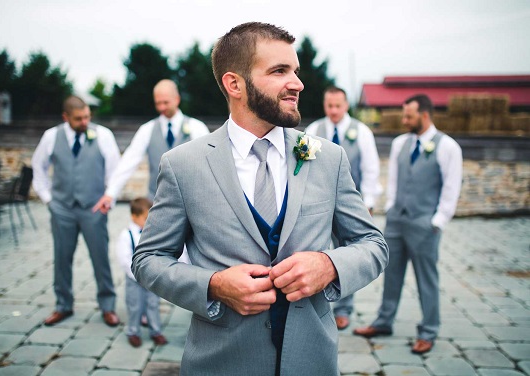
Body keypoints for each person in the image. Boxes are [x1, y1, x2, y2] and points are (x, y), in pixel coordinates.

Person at [132, 22, 388, 376]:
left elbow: (373, 244)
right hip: (221, 362)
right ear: (234, 84)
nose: (297, 83)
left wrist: (329, 266)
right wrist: (214, 286)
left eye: (295, 71)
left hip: (312, 361)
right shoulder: (183, 165)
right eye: (279, 71)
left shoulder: (328, 158)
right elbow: (148, 260)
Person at [353, 94, 463, 355]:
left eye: (408, 116)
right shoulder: (400, 143)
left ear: (424, 115)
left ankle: (428, 331)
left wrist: (437, 221)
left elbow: (452, 187)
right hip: (396, 221)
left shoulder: (448, 147)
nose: (404, 120)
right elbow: (393, 178)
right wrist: (391, 206)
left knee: (427, 279)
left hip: (425, 224)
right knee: (390, 275)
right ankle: (383, 321)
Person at [31, 95, 121, 327]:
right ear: (66, 117)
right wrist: (48, 199)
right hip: (62, 208)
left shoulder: (103, 135)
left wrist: (108, 197)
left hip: (93, 207)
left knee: (100, 257)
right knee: (62, 258)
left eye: (87, 117)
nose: (85, 122)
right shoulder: (51, 136)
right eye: (79, 118)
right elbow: (38, 167)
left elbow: (114, 169)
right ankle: (63, 305)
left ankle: (108, 306)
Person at [305, 86, 382, 330]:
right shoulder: (313, 130)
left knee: (347, 254)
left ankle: (344, 308)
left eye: (338, 106)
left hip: (349, 205)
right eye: (330, 106)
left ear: (346, 105)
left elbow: (371, 169)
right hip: (317, 204)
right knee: (315, 252)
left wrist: (368, 203)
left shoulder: (361, 132)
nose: (334, 110)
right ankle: (315, 307)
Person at [93, 79, 210, 213]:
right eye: (158, 103)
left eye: (165, 102)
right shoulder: (147, 130)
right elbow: (129, 161)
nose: (161, 108)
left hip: (191, 201)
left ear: (177, 99)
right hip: (157, 202)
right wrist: (110, 193)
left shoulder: (197, 127)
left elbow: (208, 164)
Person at [116, 197, 167, 347]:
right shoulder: (126, 235)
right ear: (134, 216)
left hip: (151, 279)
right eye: (146, 218)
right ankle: (133, 331)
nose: (149, 221)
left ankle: (155, 331)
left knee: (153, 304)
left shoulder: (152, 233)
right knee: (135, 306)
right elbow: (124, 260)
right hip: (134, 280)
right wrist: (137, 276)